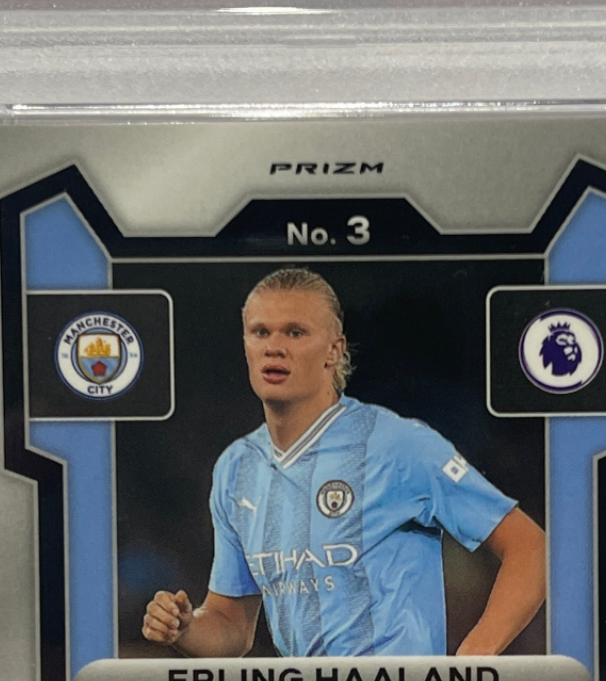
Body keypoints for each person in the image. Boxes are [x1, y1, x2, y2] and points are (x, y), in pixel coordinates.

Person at [143, 268, 545, 658]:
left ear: (334, 350)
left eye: (295, 332)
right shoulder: (236, 468)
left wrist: (474, 657)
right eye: (260, 332)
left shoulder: (398, 445)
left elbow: (530, 548)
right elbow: (232, 625)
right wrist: (185, 628)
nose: (274, 347)